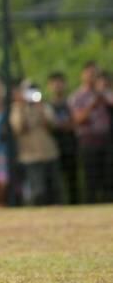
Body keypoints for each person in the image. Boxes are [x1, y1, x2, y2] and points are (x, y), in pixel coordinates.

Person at [9, 82, 61, 205]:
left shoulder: (45, 106)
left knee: (54, 188)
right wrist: (22, 107)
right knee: (38, 191)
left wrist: (41, 109)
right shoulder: (16, 108)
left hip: (49, 153)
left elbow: (53, 125)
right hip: (30, 156)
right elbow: (18, 128)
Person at [68, 61, 113, 203]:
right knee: (91, 178)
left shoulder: (107, 94)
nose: (93, 77)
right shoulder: (77, 96)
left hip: (107, 140)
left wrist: (103, 96)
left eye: (96, 74)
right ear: (84, 75)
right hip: (88, 140)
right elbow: (77, 119)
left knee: (109, 177)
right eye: (90, 74)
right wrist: (93, 104)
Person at [46, 72, 79, 203]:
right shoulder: (46, 105)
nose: (57, 86)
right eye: (54, 83)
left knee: (72, 179)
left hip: (71, 145)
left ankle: (75, 203)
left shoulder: (71, 103)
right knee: (54, 180)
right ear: (49, 86)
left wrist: (60, 125)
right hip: (53, 147)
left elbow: (75, 122)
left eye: (60, 82)